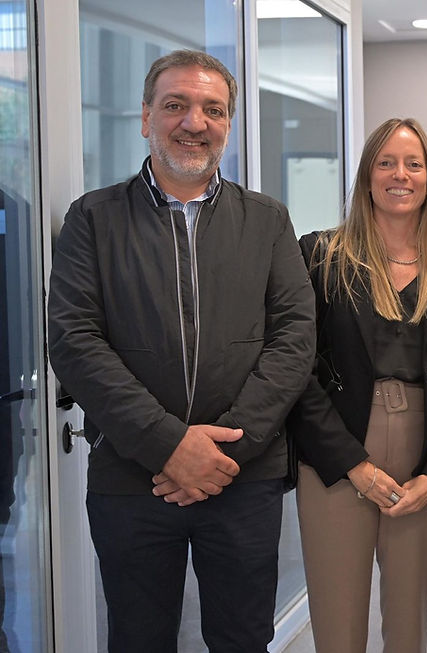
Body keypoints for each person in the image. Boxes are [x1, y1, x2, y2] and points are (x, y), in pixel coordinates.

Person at [47, 50, 316, 652]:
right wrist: (169, 445)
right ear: (146, 117)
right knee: (139, 637)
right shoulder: (93, 219)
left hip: (242, 477)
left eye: (212, 110)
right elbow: (73, 339)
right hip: (130, 476)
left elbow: (295, 338)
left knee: (243, 637)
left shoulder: (267, 220)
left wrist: (225, 452)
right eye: (176, 105)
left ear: (228, 124)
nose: (194, 122)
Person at [286, 118, 427, 653]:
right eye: (386, 162)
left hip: (421, 453)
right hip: (338, 452)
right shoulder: (320, 255)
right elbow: (297, 371)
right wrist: (353, 464)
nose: (401, 175)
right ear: (366, 175)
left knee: (408, 624)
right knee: (338, 624)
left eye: (413, 164)